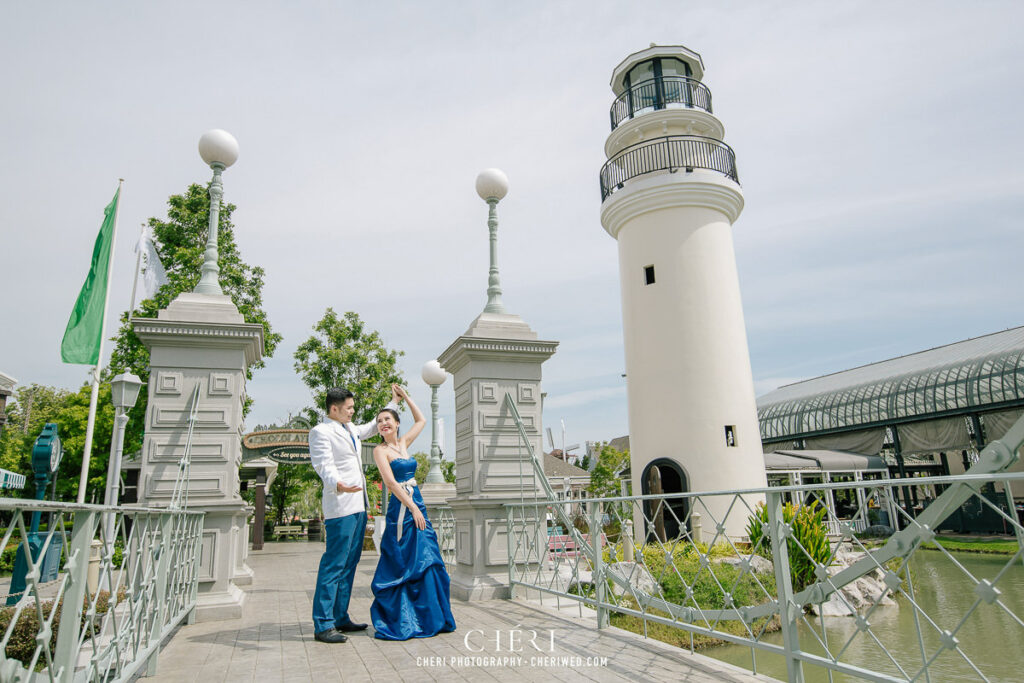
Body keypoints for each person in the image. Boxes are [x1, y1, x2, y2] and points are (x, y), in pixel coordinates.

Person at [309, 385, 399, 644]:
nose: (352, 411)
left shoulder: (349, 429)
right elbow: (323, 464)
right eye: (348, 408)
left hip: (359, 505)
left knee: (350, 564)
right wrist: (338, 483)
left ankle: (340, 617)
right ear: (334, 408)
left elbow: (373, 426)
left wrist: (393, 402)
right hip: (340, 506)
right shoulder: (321, 431)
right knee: (334, 565)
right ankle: (323, 624)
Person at [370, 385, 456, 640]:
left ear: (396, 423)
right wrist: (413, 507)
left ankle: (432, 616)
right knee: (405, 559)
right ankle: (406, 619)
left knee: (427, 555)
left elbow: (422, 419)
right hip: (402, 508)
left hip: (417, 503)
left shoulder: (404, 443)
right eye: (379, 421)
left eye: (387, 419)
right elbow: (391, 484)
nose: (383, 423)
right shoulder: (380, 451)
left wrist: (405, 397)